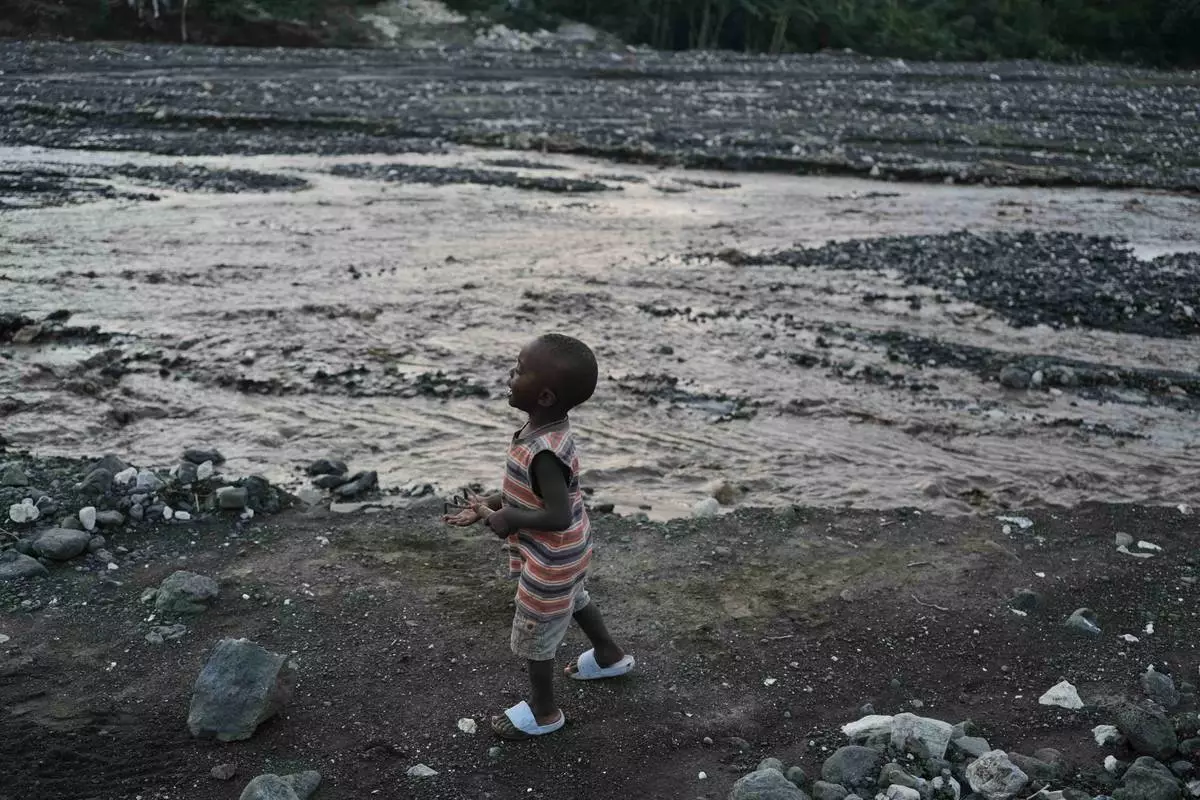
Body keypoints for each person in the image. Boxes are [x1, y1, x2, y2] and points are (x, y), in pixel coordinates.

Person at [443, 333, 635, 739]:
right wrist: (491, 502)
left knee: (534, 630)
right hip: (570, 551)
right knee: (576, 598)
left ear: (544, 396)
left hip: (552, 557)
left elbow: (556, 514)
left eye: (519, 370)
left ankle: (545, 712)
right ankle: (609, 655)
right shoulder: (545, 430)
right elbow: (536, 491)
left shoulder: (544, 451)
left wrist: (509, 516)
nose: (510, 376)